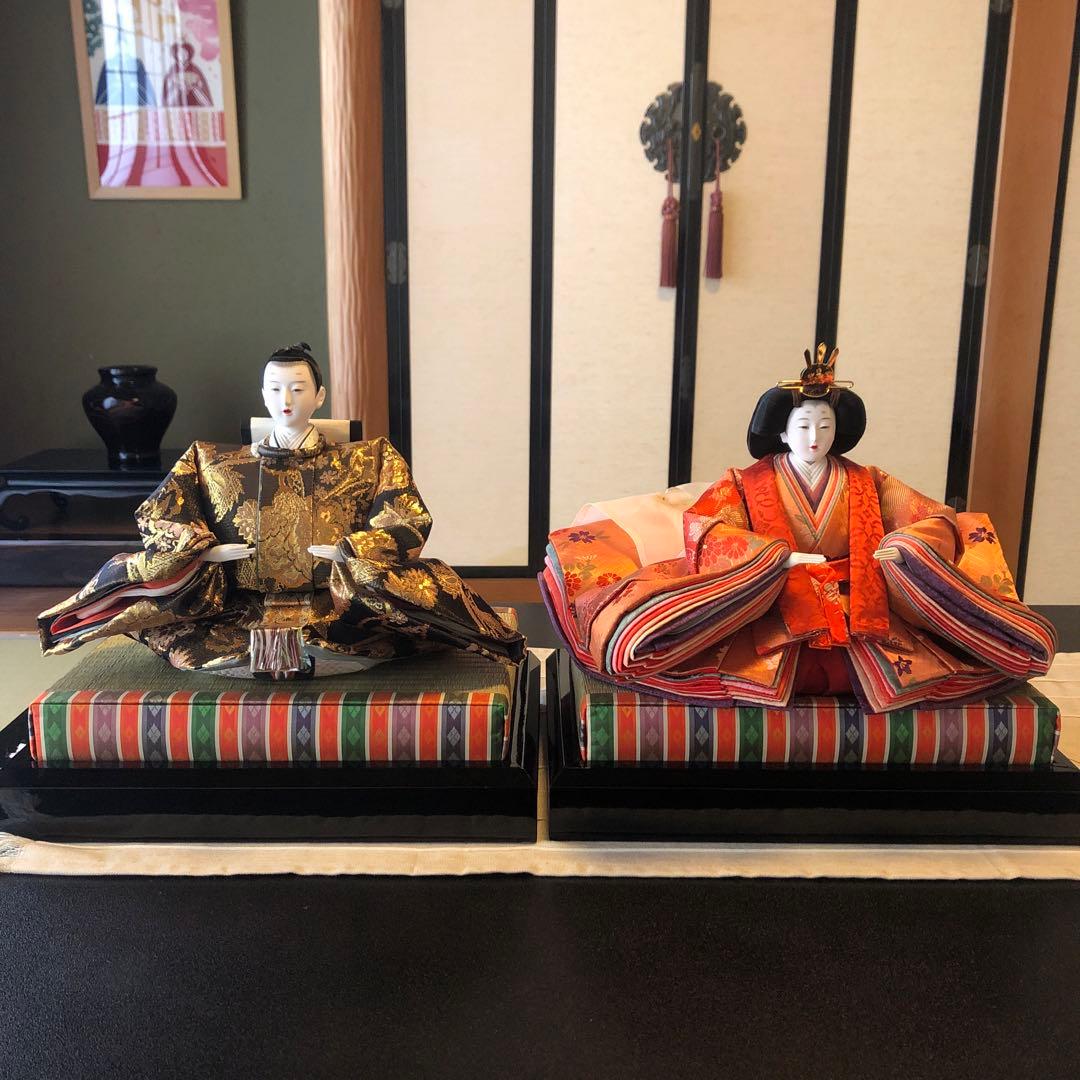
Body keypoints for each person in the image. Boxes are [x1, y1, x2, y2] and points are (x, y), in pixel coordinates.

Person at [540, 346, 1056, 712]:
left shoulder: (869, 480)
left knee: (922, 661)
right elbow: (707, 526)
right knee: (679, 646)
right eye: (804, 426)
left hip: (861, 600)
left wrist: (907, 547)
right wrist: (770, 559)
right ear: (783, 433)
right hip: (769, 600)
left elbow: (932, 518)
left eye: (825, 426)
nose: (815, 437)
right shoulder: (745, 482)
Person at [40, 344, 524, 676]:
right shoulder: (211, 461)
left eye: (297, 388)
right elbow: (161, 513)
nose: (285, 399)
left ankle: (327, 652)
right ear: (262, 394)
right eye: (274, 388)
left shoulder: (368, 457)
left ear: (320, 396)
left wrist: (354, 549)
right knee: (175, 616)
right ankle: (270, 657)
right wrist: (202, 551)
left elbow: (406, 517)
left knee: (399, 600)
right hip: (238, 605)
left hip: (336, 604)